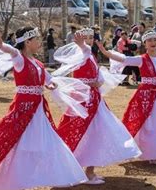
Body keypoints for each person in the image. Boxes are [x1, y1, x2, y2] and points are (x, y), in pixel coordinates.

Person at [0, 28, 88, 190]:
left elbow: (48, 79)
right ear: (27, 42)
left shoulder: (38, 63)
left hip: (38, 113)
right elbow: (12, 51)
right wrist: (1, 45)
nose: (39, 41)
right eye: (36, 39)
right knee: (19, 150)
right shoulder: (20, 59)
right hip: (22, 112)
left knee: (31, 151)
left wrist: (52, 84)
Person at [54, 28, 141, 182]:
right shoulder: (81, 55)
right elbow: (79, 75)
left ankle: (89, 170)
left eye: (91, 38)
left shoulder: (91, 56)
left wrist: (98, 81)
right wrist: (90, 81)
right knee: (79, 132)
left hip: (95, 100)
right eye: (86, 38)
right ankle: (74, 169)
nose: (89, 40)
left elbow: (97, 76)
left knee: (97, 134)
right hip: (83, 99)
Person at [100, 30, 156, 164]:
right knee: (147, 123)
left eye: (155, 40)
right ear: (145, 44)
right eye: (150, 40)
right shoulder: (141, 59)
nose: (153, 43)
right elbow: (124, 59)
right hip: (144, 96)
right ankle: (149, 153)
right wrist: (106, 52)